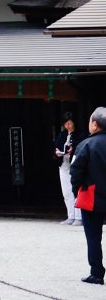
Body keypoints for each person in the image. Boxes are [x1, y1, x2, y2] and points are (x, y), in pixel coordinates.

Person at [71, 107, 106, 285]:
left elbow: (75, 171)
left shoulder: (85, 145)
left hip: (92, 196)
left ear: (95, 124)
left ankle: (97, 273)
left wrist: (77, 189)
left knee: (93, 236)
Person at [55, 111, 86, 225]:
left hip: (75, 166)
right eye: (66, 124)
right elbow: (56, 147)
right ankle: (71, 215)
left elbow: (82, 148)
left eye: (69, 123)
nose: (68, 126)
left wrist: (72, 151)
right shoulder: (62, 135)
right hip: (63, 165)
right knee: (66, 191)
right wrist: (57, 152)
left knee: (76, 190)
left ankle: (79, 216)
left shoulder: (80, 134)